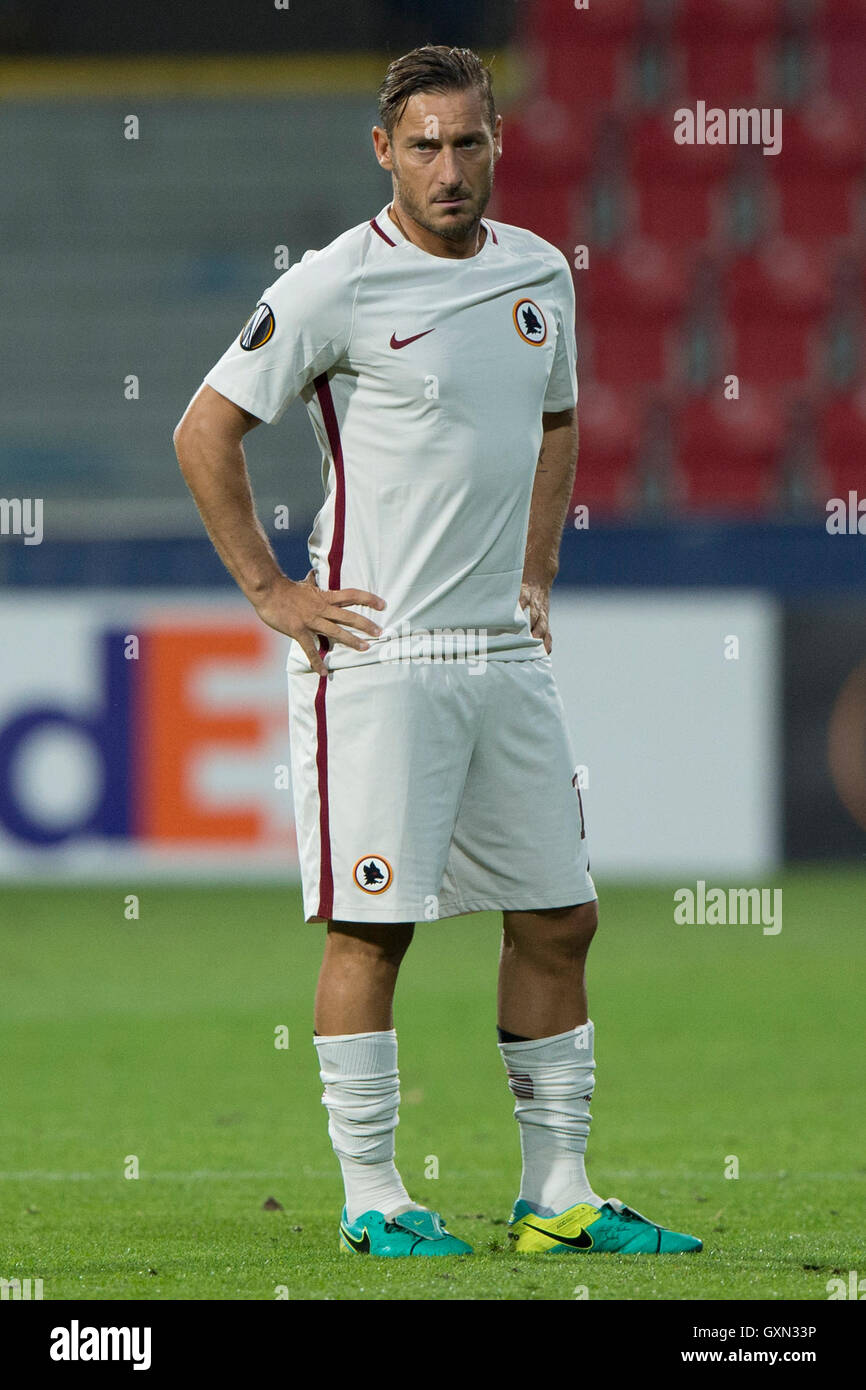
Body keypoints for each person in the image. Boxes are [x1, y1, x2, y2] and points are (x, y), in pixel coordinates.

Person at [173, 44, 701, 1259]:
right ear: (383, 152)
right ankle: (371, 1198)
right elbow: (204, 431)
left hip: (501, 653)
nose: (447, 167)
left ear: (497, 142)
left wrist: (537, 568)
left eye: (467, 142)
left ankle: (555, 1195)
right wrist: (270, 587)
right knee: (374, 933)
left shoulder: (536, 277)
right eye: (422, 145)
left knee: (559, 917)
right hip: (380, 653)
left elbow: (555, 416)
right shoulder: (331, 285)